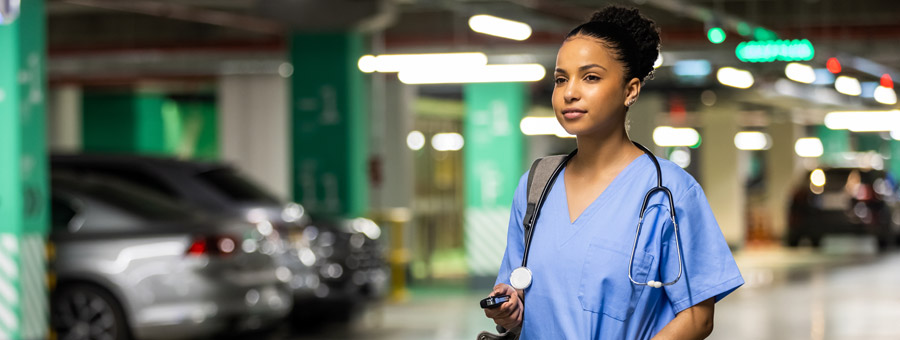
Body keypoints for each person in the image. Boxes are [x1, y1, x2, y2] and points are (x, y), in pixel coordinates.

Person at [483, 5, 743, 339]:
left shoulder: (670, 192)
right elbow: (521, 302)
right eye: (561, 79)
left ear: (630, 90)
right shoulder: (536, 186)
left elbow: (697, 316)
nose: (570, 92)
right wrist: (508, 309)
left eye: (590, 77)